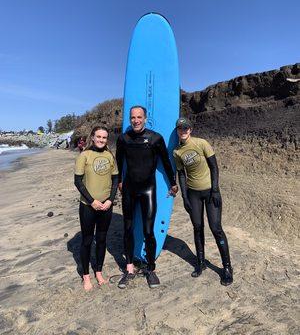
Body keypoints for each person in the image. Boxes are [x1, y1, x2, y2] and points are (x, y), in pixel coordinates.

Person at [116, 106, 178, 289]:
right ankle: (129, 269)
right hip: (128, 189)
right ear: (130, 119)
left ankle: (150, 269)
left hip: (148, 190)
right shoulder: (123, 139)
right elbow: (119, 162)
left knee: (148, 231)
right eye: (133, 117)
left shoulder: (155, 138)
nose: (136, 120)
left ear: (145, 118)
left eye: (139, 117)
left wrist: (172, 183)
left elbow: (166, 162)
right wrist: (119, 181)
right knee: (128, 228)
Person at [173, 117, 233, 286]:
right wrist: (184, 197)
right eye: (180, 129)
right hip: (193, 194)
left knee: (216, 228)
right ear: (177, 130)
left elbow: (214, 167)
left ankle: (227, 267)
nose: (183, 131)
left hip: (210, 192)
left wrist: (215, 189)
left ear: (190, 129)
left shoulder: (202, 143)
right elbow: (182, 174)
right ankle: (200, 263)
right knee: (197, 227)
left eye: (185, 128)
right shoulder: (177, 152)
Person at [74, 126, 118, 291]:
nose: (101, 140)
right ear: (92, 137)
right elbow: (78, 181)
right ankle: (86, 275)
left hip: (106, 206)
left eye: (104, 137)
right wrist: (92, 201)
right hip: (88, 206)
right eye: (98, 136)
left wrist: (110, 200)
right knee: (86, 241)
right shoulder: (84, 155)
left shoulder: (109, 156)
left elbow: (115, 179)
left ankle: (98, 271)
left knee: (101, 239)